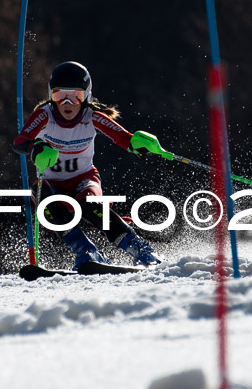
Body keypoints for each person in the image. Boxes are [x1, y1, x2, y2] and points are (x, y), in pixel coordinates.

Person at [12, 61, 165, 270]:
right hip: (52, 184)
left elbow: (122, 137)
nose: (68, 102)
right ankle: (86, 251)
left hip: (84, 179)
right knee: (40, 195)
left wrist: (138, 144)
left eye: (76, 96)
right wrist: (36, 146)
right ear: (51, 96)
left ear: (87, 96)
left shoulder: (90, 116)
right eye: (59, 95)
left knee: (89, 204)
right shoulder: (44, 115)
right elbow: (20, 141)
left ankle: (139, 248)